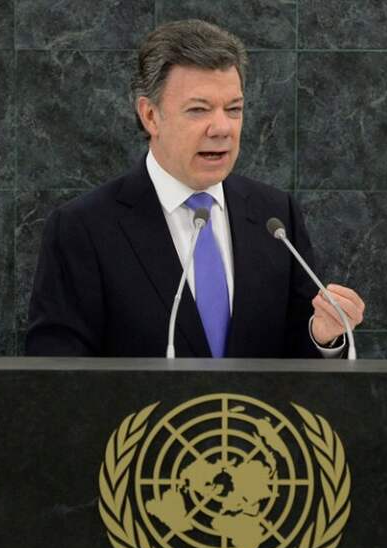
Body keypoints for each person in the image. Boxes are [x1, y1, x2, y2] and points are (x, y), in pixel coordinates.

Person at [26, 19, 364, 358]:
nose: (221, 128)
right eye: (198, 110)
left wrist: (324, 336)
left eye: (233, 109)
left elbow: (297, 356)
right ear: (150, 115)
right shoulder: (84, 228)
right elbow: (57, 377)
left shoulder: (274, 217)